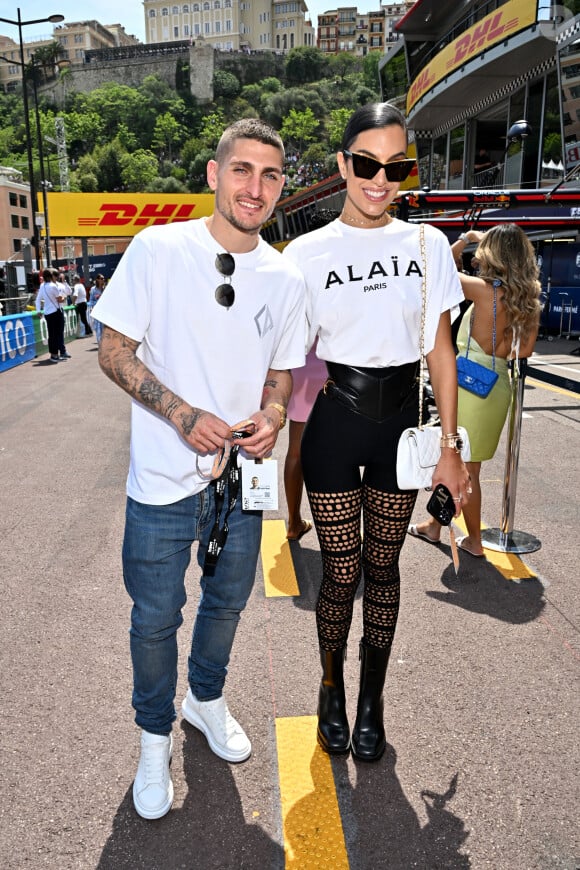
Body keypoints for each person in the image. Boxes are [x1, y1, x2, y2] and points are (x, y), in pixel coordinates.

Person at [92, 118, 305, 820]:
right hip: (160, 481)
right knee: (155, 619)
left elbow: (281, 375)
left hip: (240, 482)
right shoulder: (159, 248)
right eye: (242, 170)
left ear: (281, 187)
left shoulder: (284, 274)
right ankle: (154, 738)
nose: (256, 187)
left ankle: (205, 700)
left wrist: (272, 417)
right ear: (214, 176)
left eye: (270, 174)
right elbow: (115, 351)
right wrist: (183, 416)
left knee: (226, 603)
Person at [283, 102, 470, 763]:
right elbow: (280, 351)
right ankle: (331, 685)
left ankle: (372, 700)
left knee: (383, 568)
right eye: (366, 163)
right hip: (334, 426)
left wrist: (451, 448)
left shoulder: (427, 245)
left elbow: (440, 353)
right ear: (343, 165)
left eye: (396, 166)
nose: (379, 178)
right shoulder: (304, 253)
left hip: (402, 426)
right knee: (341, 571)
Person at [408, 224, 541, 556]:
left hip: (468, 385)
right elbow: (523, 352)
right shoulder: (529, 300)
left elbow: (441, 266)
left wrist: (467, 239)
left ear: (491, 253)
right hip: (499, 387)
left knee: (465, 466)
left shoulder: (483, 289)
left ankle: (475, 542)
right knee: (458, 461)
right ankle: (435, 525)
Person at [284, 210, 337, 543]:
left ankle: (293, 521)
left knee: (296, 451)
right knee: (335, 451)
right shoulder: (340, 271)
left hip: (300, 369)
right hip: (337, 371)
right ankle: (334, 525)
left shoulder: (291, 273)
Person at [35, 268, 69, 363]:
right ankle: (56, 355)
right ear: (50, 276)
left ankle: (54, 354)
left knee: (52, 334)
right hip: (56, 312)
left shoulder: (42, 286)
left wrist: (38, 310)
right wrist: (65, 297)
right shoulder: (53, 286)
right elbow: (60, 299)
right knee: (58, 334)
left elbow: (37, 300)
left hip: (47, 313)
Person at [87, 274, 106, 344]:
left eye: (103, 278)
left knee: (105, 329)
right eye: (101, 278)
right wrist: (92, 307)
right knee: (98, 328)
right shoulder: (93, 289)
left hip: (105, 311)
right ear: (97, 280)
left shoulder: (106, 288)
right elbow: (91, 300)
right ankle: (100, 344)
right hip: (97, 311)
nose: (103, 280)